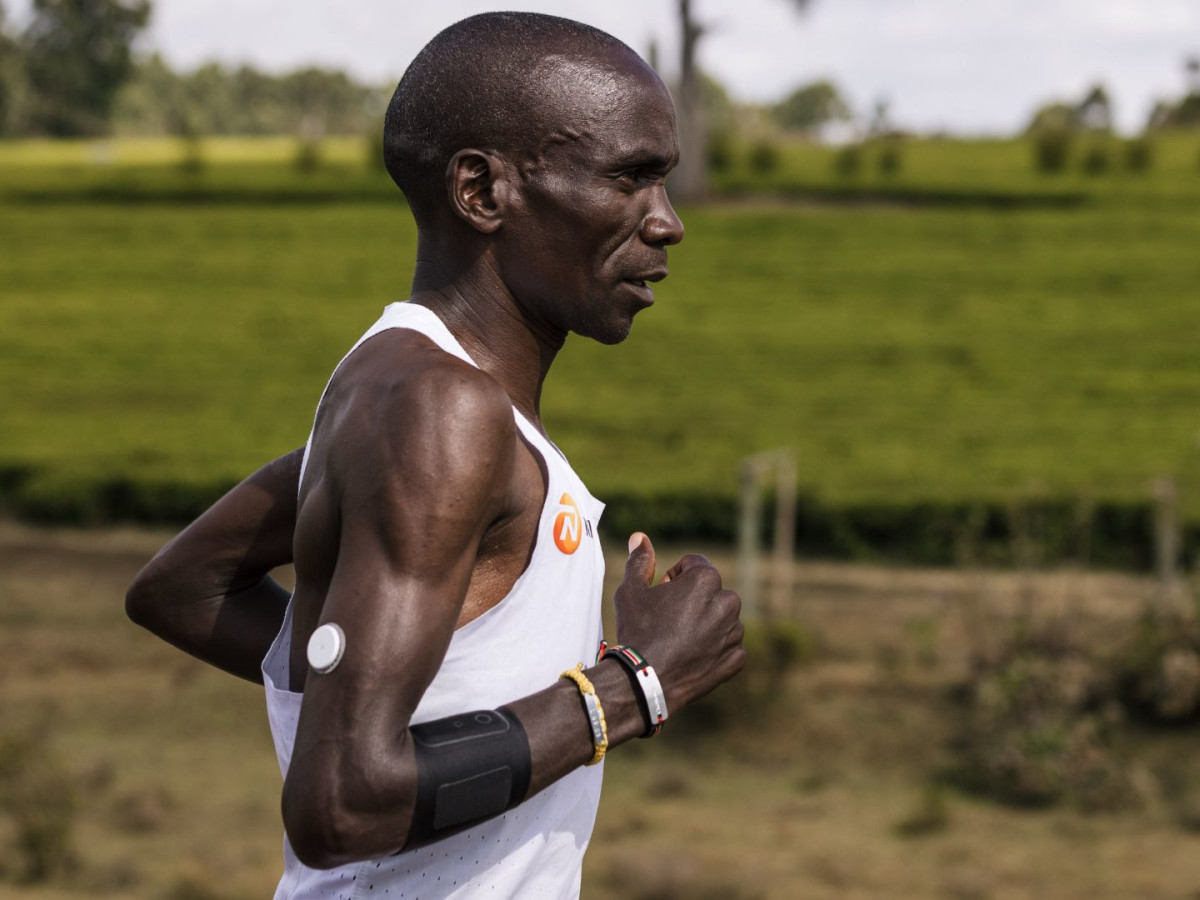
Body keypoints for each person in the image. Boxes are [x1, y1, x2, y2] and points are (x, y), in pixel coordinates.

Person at [126, 12, 745, 900]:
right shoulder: (438, 410)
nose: (669, 224)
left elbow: (184, 588)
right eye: (629, 179)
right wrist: (634, 687)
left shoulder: (410, 403)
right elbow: (339, 806)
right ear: (482, 192)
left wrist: (399, 694)